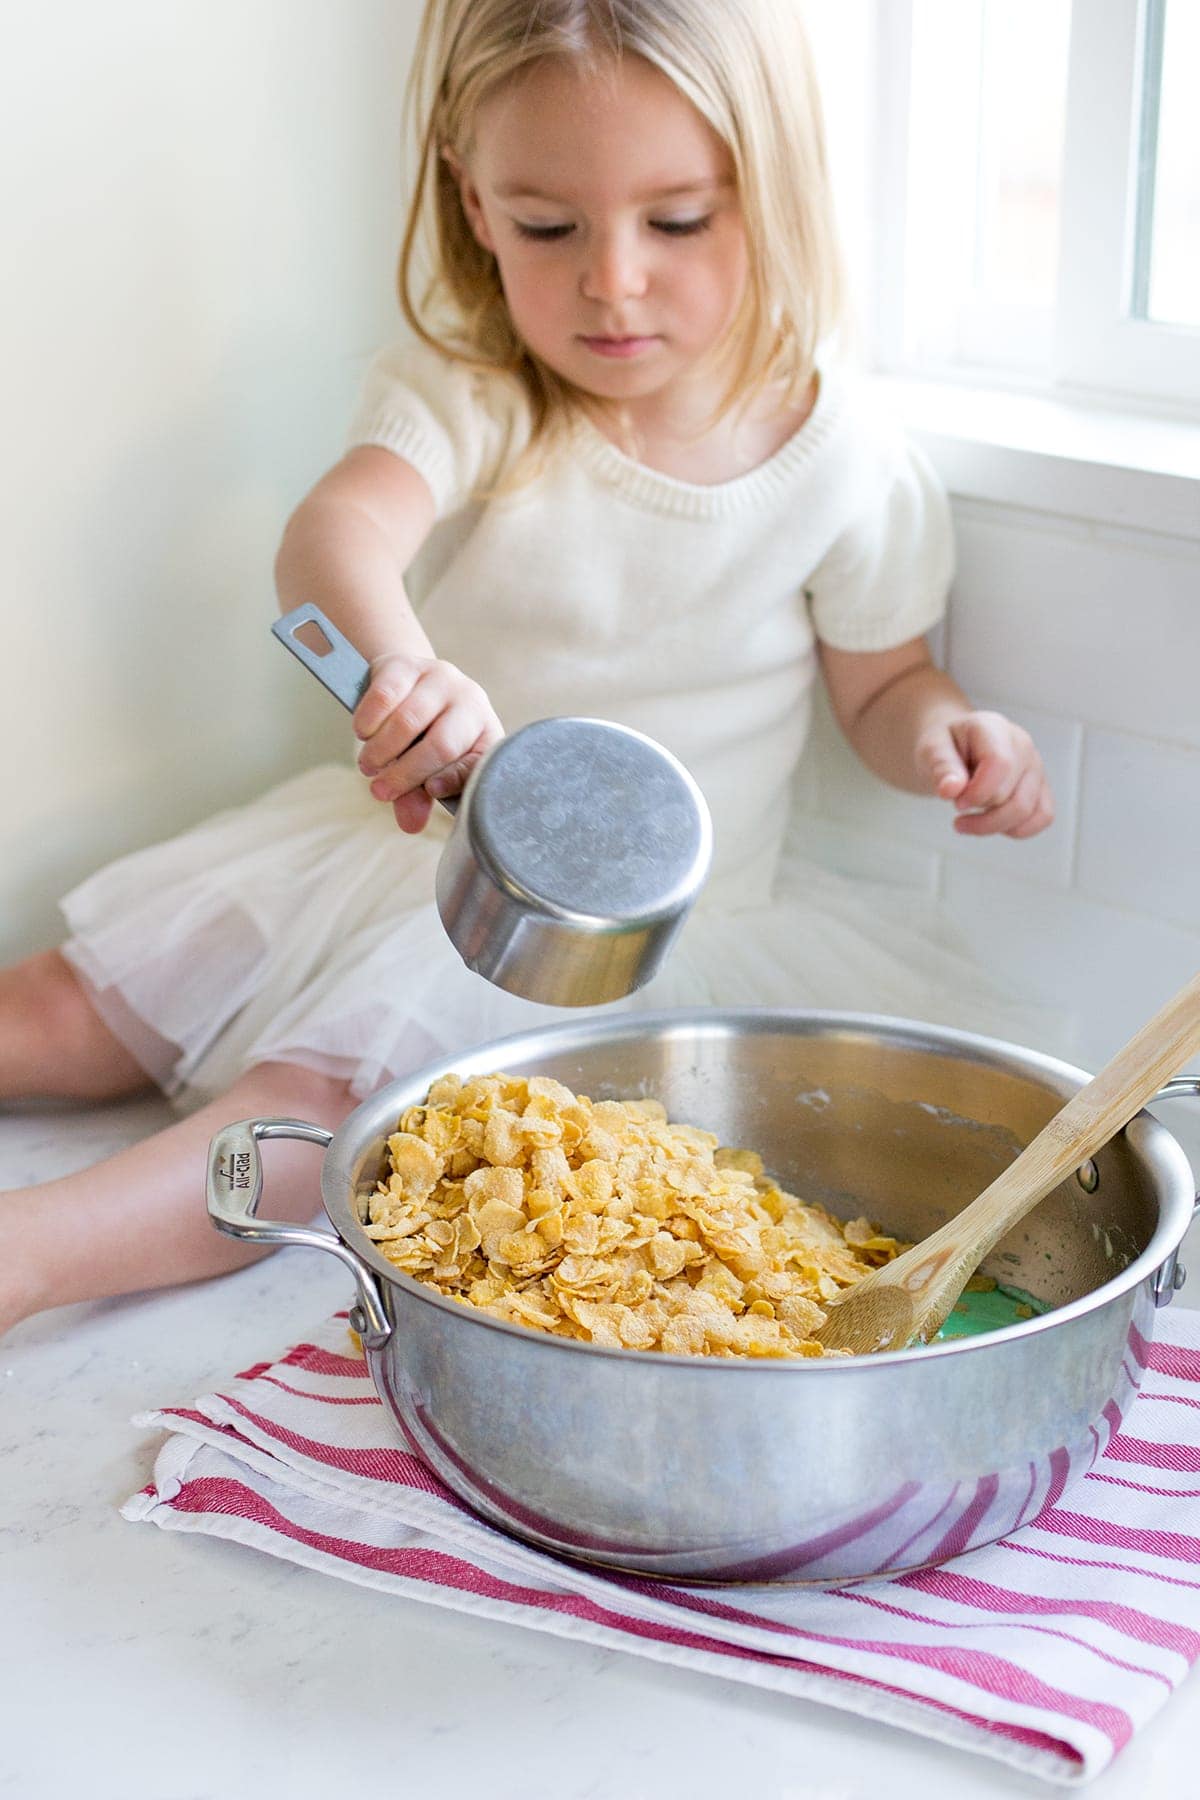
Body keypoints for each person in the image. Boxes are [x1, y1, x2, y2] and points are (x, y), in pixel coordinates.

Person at [0, 0, 1055, 1338]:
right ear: (474, 201)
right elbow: (332, 538)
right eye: (550, 226)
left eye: (678, 221)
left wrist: (948, 737)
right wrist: (401, 672)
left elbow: (883, 684)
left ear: (776, 196)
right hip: (405, 864)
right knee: (67, 1006)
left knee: (320, 1119)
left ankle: (29, 1254)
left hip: (651, 946)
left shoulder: (848, 462)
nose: (612, 280)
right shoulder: (478, 393)